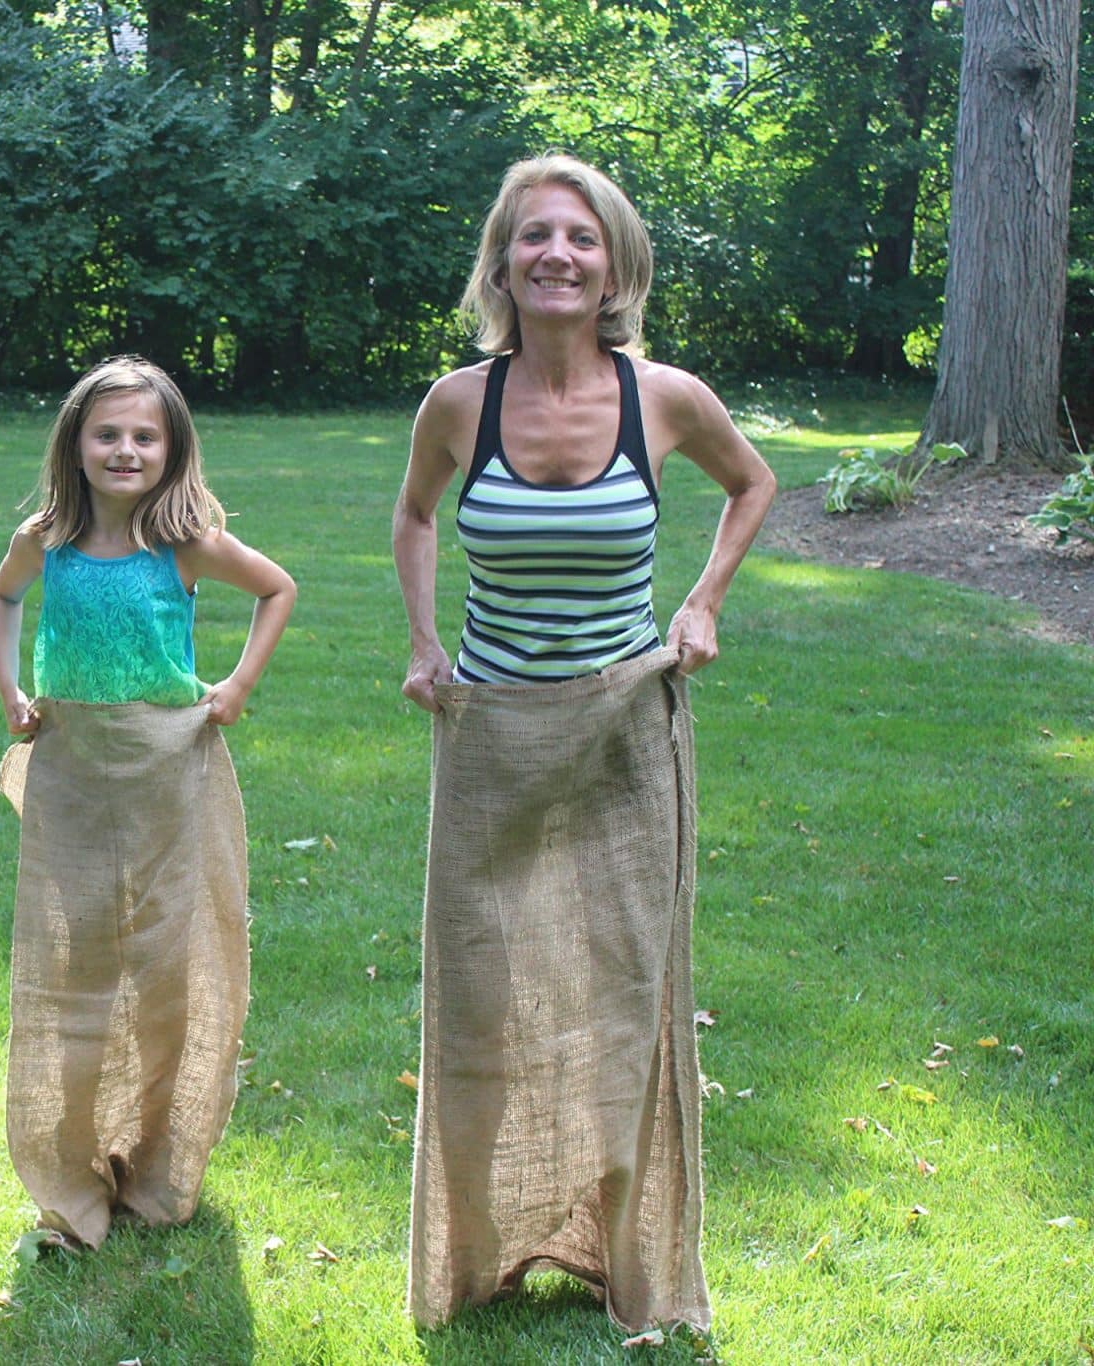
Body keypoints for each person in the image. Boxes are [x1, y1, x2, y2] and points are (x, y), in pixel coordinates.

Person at [393, 156, 775, 1334]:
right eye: (532, 236)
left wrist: (702, 601)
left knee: (623, 992)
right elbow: (413, 513)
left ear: (613, 268)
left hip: (621, 733)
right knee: (482, 993)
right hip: (492, 734)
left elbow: (750, 484)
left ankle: (627, 1253)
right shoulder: (458, 404)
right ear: (500, 265)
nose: (555, 254)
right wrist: (423, 641)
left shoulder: (664, 397)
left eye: (579, 237)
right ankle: (482, 1251)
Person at [0, 355, 295, 1246]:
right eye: (108, 434)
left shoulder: (184, 543)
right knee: (78, 961)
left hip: (167, 770)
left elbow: (277, 588)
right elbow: (2, 600)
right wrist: (10, 690)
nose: (126, 450)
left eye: (145, 436)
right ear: (75, 445)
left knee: (166, 960)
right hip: (74, 770)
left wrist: (236, 685)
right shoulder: (44, 539)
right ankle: (72, 1159)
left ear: (172, 449)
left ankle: (158, 1154)